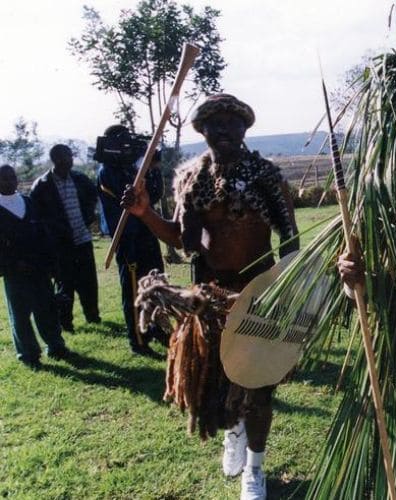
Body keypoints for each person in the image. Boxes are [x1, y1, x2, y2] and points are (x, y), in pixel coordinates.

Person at [122, 94, 298, 500]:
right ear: (202, 131)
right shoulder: (191, 178)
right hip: (210, 297)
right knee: (221, 382)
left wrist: (287, 287)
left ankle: (255, 468)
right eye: (214, 123)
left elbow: (290, 239)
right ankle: (234, 431)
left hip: (258, 292)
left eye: (232, 123)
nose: (223, 130)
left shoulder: (266, 176)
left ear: (244, 129)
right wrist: (145, 213)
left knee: (259, 386)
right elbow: (181, 238)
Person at [97, 125, 165, 355]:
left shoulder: (134, 166)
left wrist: (151, 167)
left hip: (147, 231)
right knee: (134, 289)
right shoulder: (107, 171)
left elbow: (154, 194)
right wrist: (140, 169)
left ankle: (157, 327)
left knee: (156, 282)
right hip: (127, 237)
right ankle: (138, 340)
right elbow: (127, 195)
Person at [0, 165, 70, 369]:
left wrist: (52, 264)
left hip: (39, 267)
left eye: (12, 177)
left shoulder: (28, 202)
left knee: (46, 309)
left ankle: (56, 346)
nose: (9, 181)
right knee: (20, 314)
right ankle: (28, 353)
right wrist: (12, 263)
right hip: (15, 272)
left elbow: (43, 234)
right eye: (4, 178)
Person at [30, 144, 100, 332]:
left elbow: (93, 195)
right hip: (60, 245)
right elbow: (37, 218)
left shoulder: (79, 179)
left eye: (70, 156)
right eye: (66, 157)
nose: (70, 160)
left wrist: (89, 216)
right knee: (65, 284)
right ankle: (66, 323)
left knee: (88, 283)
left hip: (83, 239)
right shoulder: (42, 185)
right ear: (56, 160)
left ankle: (93, 316)